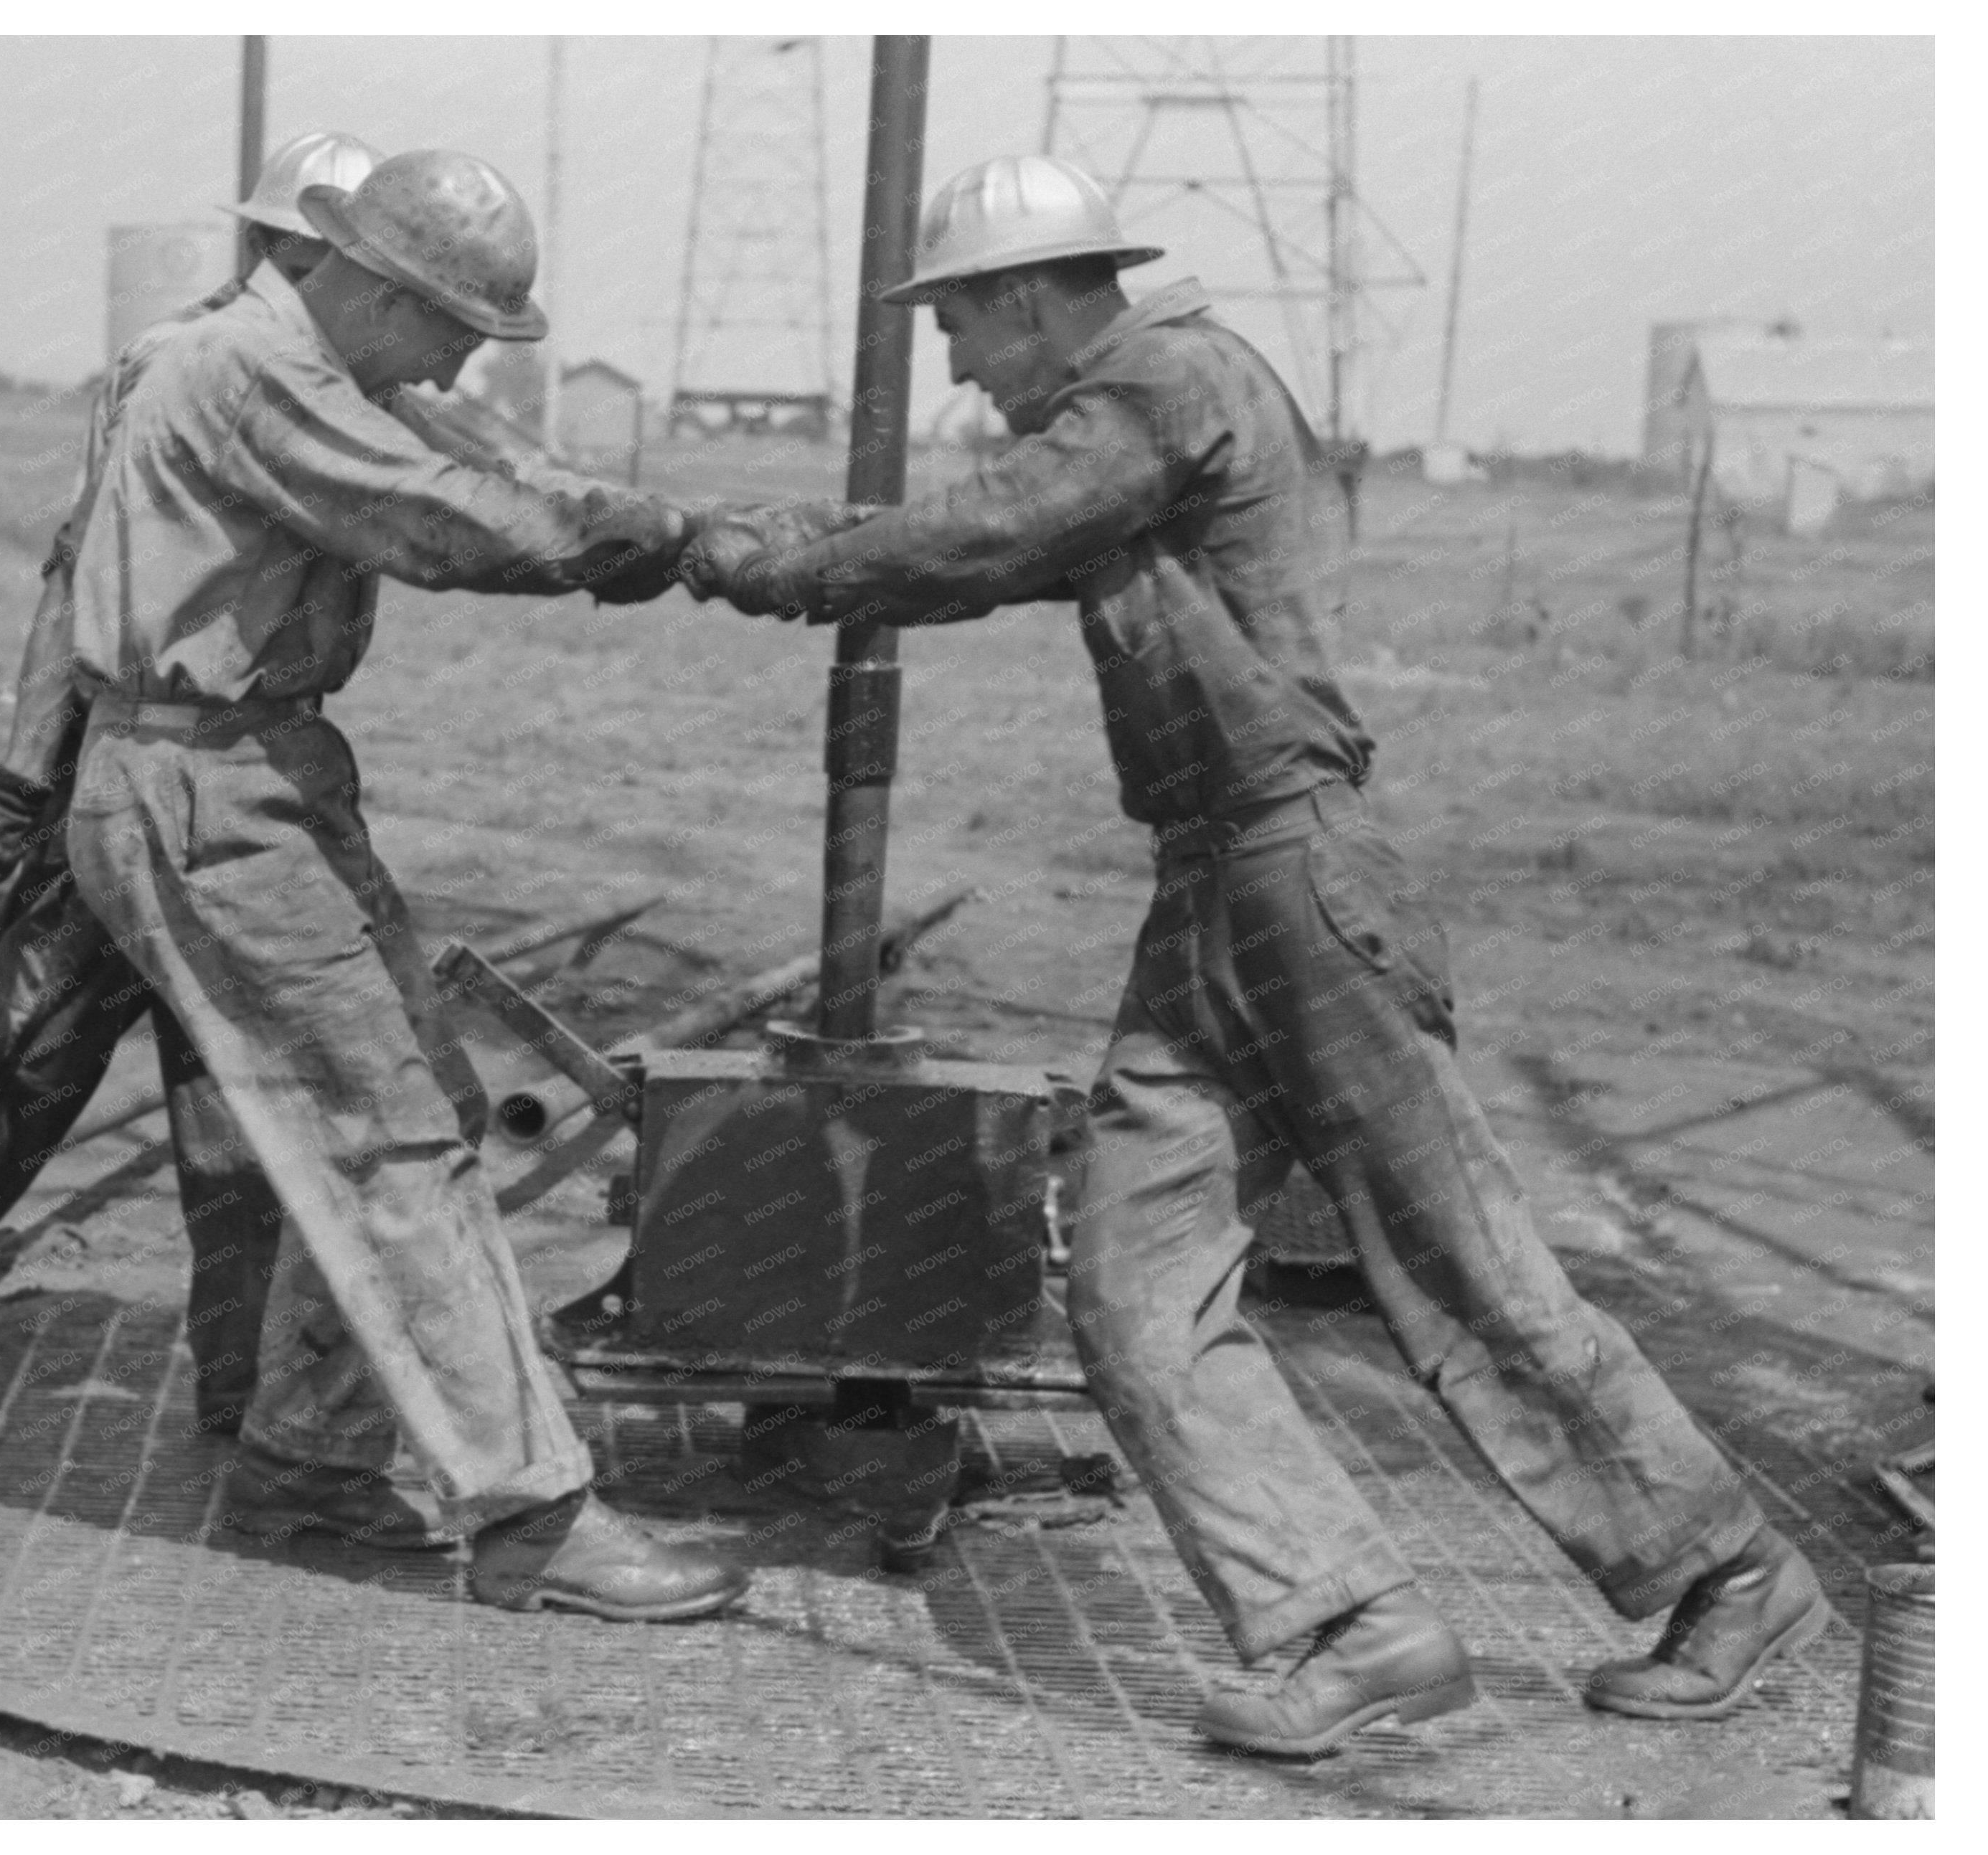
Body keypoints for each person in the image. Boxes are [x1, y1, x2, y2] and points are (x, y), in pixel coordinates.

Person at [682, 153, 1826, 1751]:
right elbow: (983, 549)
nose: (949, 362)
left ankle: (1728, 1574)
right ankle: (1351, 1623)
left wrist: (778, 562)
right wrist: (783, 549)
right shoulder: (1119, 423)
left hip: (1296, 875)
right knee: (1135, 1291)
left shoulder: (1163, 379)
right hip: (1207, 895)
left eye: (955, 324)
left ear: (1026, 299)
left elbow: (979, 537)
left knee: (1456, 1269)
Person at [57, 145, 747, 1620]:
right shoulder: (250, 372)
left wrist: (672, 522)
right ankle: (531, 1516)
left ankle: (307, 1467)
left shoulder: (333, 362)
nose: (454, 359)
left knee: (412, 1118)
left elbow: (489, 461)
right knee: (388, 1144)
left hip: (263, 769)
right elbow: (446, 517)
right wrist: (650, 546)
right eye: (447, 323)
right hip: (197, 783)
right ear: (365, 281)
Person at [0, 133, 385, 1445]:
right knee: (31, 1052)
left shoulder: (341, 390)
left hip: (260, 776)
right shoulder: (185, 369)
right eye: (357, 264)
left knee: (251, 1101)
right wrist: (22, 775)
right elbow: (80, 578)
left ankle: (245, 1388)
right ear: (298, 253)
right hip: (130, 766)